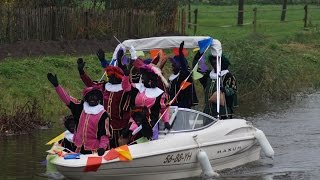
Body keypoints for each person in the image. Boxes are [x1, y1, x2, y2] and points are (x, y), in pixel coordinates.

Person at [77, 50, 131, 148]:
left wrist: (126, 127)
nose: (109, 78)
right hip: (103, 125)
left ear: (118, 78)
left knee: (119, 149)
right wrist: (82, 72)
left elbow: (127, 110)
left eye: (111, 76)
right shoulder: (105, 86)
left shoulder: (124, 90)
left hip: (119, 127)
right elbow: (91, 85)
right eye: (108, 76)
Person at [47, 73, 110, 156]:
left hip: (94, 151)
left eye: (95, 96)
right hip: (77, 148)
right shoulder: (80, 107)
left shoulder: (103, 114)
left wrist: (102, 147)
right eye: (90, 96)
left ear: (98, 99)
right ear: (86, 98)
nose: (92, 99)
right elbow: (67, 98)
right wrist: (57, 86)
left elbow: (104, 135)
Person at [122, 58, 171, 140]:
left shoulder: (159, 93)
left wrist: (166, 122)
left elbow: (163, 109)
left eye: (143, 75)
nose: (141, 77)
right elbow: (125, 87)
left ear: (150, 79)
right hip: (134, 123)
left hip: (150, 125)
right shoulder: (137, 87)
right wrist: (126, 76)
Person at [193, 52, 237, 119]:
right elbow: (196, 69)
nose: (214, 64)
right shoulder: (208, 75)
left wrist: (225, 90)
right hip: (208, 114)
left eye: (216, 61)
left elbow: (233, 90)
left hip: (223, 113)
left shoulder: (228, 76)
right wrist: (199, 54)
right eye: (212, 62)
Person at [168, 41, 198, 108]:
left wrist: (180, 52)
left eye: (174, 65)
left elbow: (184, 67)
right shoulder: (171, 78)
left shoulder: (184, 75)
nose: (172, 66)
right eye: (172, 65)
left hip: (182, 108)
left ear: (180, 66)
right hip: (172, 107)